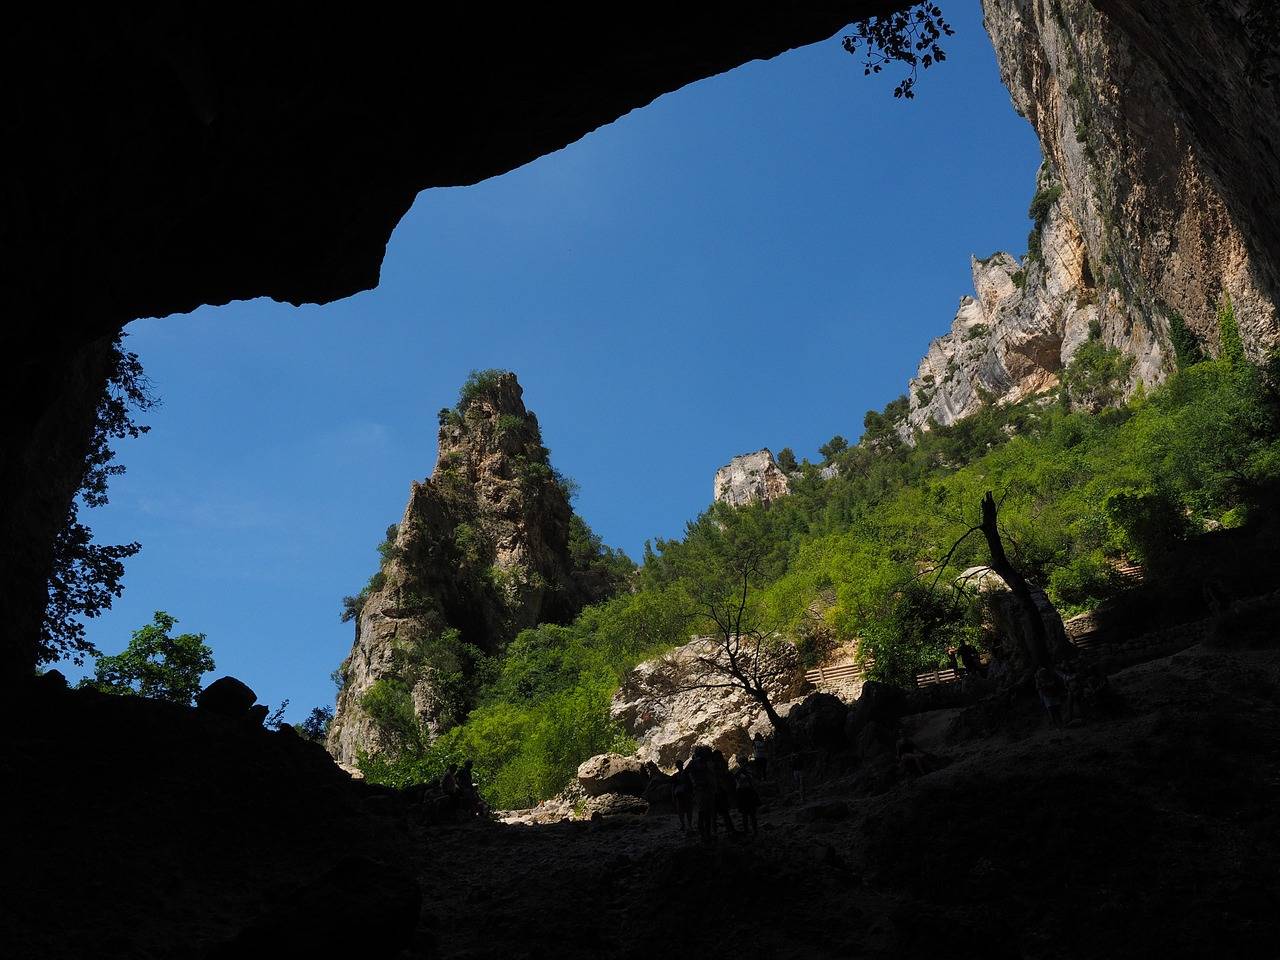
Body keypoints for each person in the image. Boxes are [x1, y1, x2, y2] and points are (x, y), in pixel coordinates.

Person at [686, 745, 716, 842]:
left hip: (701, 790)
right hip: (704, 789)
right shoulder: (703, 763)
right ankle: (706, 834)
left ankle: (704, 834)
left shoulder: (695, 763)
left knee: (703, 812)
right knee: (705, 812)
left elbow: (686, 773)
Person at [712, 750, 737, 835]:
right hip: (721, 792)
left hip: (717, 792)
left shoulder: (713, 766)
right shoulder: (721, 765)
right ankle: (730, 829)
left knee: (716, 814)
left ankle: (714, 832)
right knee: (724, 813)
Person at [734, 761, 760, 837]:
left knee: (748, 814)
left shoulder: (746, 772)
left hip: (745, 793)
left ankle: (751, 830)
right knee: (748, 814)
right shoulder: (742, 772)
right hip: (746, 793)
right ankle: (751, 830)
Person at [672, 759, 693, 833]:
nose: (679, 766)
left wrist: (673, 796)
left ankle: (684, 825)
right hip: (683, 795)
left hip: (681, 795)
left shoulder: (677, 775)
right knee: (686, 810)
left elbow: (673, 787)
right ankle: (687, 825)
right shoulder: (686, 773)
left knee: (683, 811)